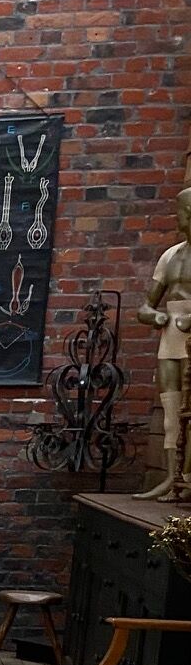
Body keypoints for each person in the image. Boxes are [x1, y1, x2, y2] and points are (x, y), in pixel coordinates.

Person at [137, 183, 191, 501]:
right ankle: (171, 477)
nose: (177, 217)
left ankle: (187, 477)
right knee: (171, 409)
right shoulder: (170, 256)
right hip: (171, 334)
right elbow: (146, 306)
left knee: (189, 410)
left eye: (180, 211)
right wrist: (155, 316)